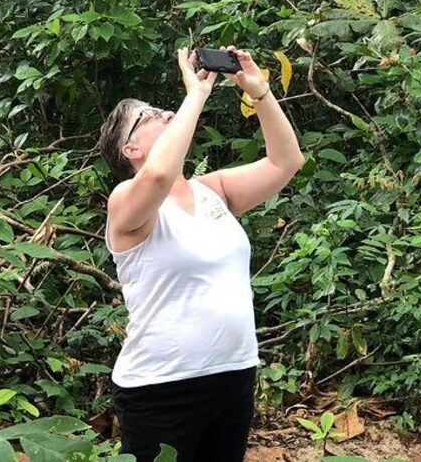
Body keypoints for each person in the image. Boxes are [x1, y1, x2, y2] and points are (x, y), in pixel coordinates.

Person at [98, 46, 305, 462]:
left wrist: (259, 92)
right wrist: (195, 94)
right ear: (130, 151)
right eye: (150, 115)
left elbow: (287, 161)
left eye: (163, 108)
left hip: (233, 377)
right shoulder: (126, 202)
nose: (166, 114)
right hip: (160, 388)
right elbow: (158, 174)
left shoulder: (215, 191)